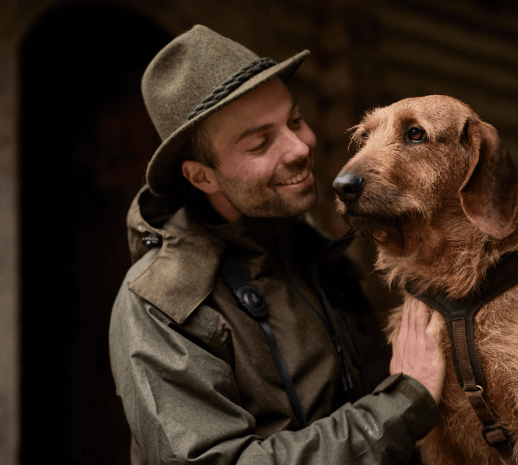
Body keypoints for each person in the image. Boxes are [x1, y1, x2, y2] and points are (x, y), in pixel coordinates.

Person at [109, 25, 446, 465]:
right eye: (260, 142)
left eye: (294, 120)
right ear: (201, 176)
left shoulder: (312, 251)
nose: (299, 147)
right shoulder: (159, 306)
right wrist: (403, 404)